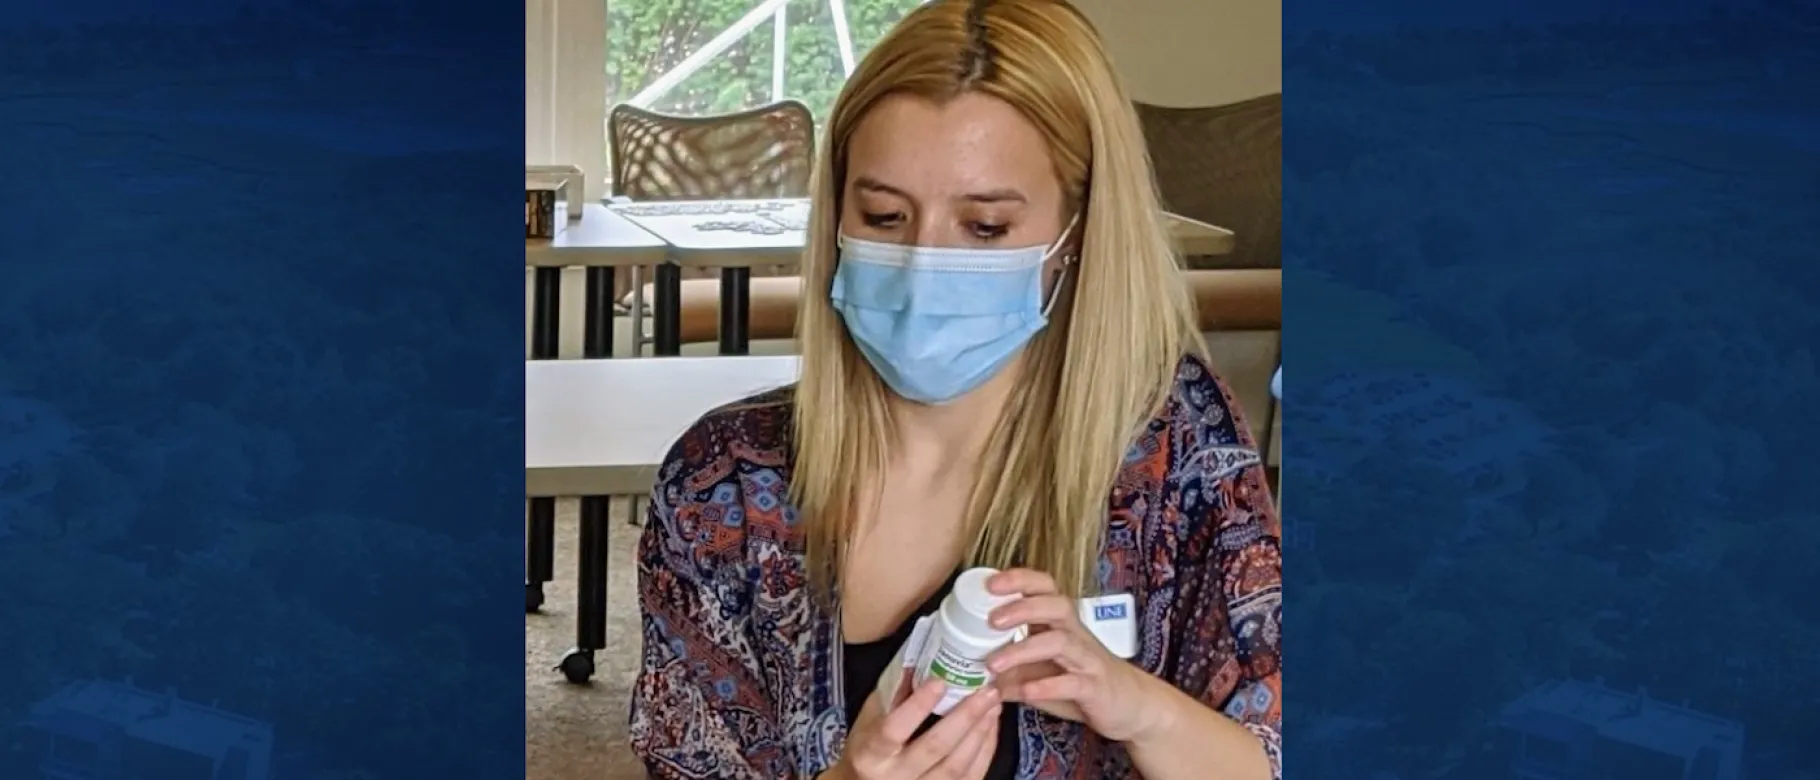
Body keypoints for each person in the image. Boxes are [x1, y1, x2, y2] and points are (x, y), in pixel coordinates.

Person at [628, 1, 1282, 778]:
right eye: (884, 215)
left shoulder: (1175, 445)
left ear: (1076, 234)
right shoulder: (724, 486)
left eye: (985, 230)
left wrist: (1135, 705)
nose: (921, 266)